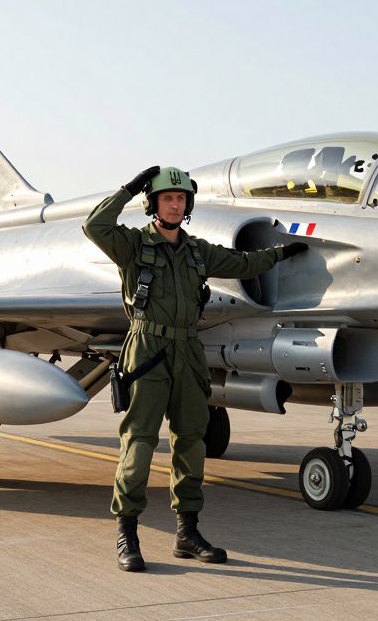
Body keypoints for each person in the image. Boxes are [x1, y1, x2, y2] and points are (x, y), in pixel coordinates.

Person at [83, 165, 308, 572]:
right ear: (154, 204)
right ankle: (127, 535)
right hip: (147, 348)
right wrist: (129, 188)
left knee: (192, 440)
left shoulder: (196, 251)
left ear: (187, 206)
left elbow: (241, 264)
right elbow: (95, 225)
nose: (174, 204)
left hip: (188, 349)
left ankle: (187, 533)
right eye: (167, 198)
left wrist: (280, 254)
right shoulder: (132, 246)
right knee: (140, 441)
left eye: (180, 199)